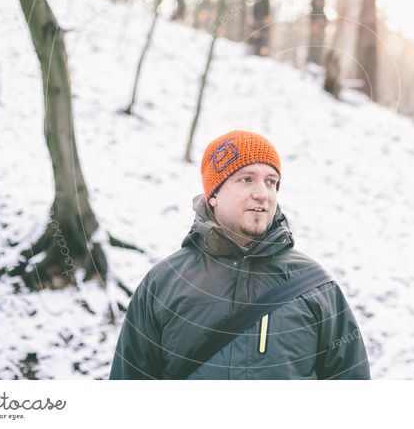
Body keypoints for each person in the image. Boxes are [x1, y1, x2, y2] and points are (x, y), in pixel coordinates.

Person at [109, 130, 370, 379]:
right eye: (246, 179)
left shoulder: (315, 285)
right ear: (213, 195)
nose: (263, 194)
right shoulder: (164, 283)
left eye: (271, 182)